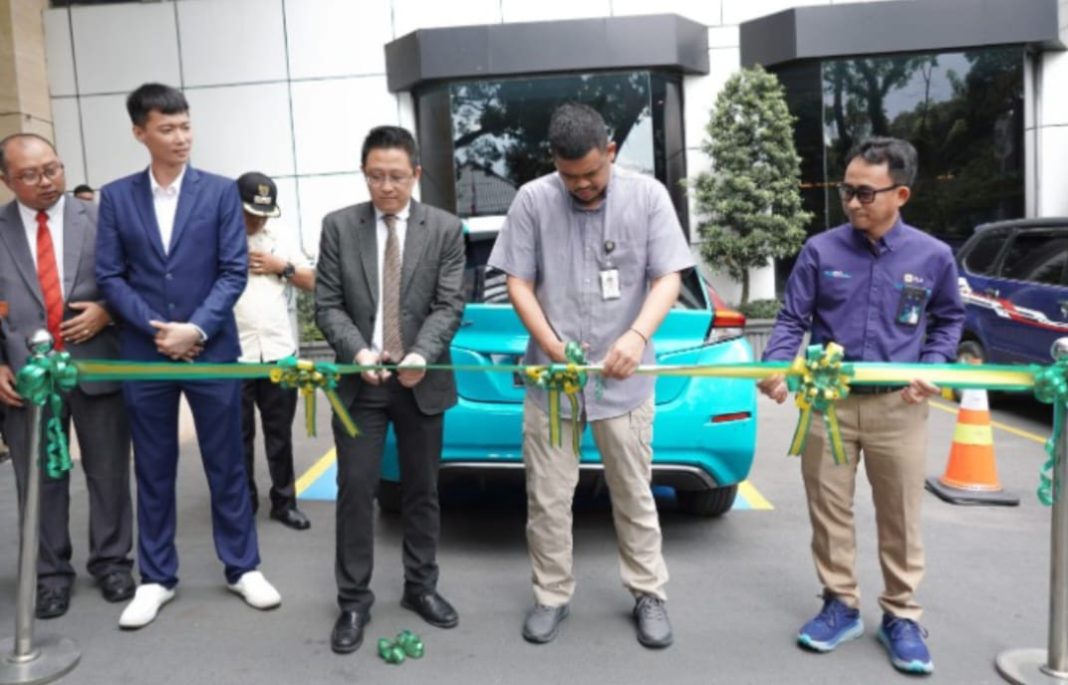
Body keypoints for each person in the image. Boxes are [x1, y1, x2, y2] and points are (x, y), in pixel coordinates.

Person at [487, 102, 694, 649]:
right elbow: (518, 284)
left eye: (591, 174)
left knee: (633, 491)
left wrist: (636, 337)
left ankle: (649, 592)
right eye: (569, 176)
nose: (581, 185)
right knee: (549, 496)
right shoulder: (533, 199)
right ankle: (551, 595)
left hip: (623, 381)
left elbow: (668, 277)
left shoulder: (648, 197)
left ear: (610, 151)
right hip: (552, 383)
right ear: (554, 163)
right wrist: (552, 346)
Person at [757, 137, 964, 676]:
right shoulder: (821, 251)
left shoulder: (933, 256)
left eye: (864, 193)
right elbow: (790, 319)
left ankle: (901, 614)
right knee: (829, 513)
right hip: (829, 405)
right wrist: (776, 365)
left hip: (901, 407)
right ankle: (839, 603)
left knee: (900, 515)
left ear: (900, 193)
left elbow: (948, 320)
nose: (852, 202)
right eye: (847, 191)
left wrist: (936, 366)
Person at [95, 83, 280, 630]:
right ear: (140, 133)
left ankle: (243, 566)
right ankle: (156, 578)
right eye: (167, 129)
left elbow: (232, 270)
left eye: (186, 127)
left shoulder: (222, 192)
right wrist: (158, 329)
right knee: (153, 467)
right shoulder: (117, 196)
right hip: (145, 351)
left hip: (211, 350)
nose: (181, 138)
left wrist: (195, 327)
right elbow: (109, 274)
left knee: (227, 464)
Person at [316, 125, 465, 655]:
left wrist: (421, 354)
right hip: (361, 382)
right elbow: (327, 304)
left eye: (396, 177)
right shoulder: (339, 227)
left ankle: (421, 587)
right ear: (364, 173)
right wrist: (357, 352)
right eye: (376, 176)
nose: (386, 187)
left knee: (422, 490)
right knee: (357, 490)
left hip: (420, 380)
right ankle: (353, 600)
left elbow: (449, 304)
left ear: (416, 174)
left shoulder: (445, 228)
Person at [0, 133, 134, 618]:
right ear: (6, 180)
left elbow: (133, 283)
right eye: (31, 175)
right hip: (25, 378)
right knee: (39, 479)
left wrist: (106, 312)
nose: (46, 182)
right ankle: (51, 575)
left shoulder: (101, 220)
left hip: (95, 365)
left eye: (52, 169)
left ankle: (114, 562)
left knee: (109, 471)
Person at [233, 171, 314, 530]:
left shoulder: (280, 238)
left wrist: (281, 267)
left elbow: (312, 281)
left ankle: (284, 501)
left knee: (280, 434)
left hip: (279, 352)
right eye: (250, 211)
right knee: (237, 436)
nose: (257, 219)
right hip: (234, 357)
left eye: (263, 212)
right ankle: (242, 502)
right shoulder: (216, 238)